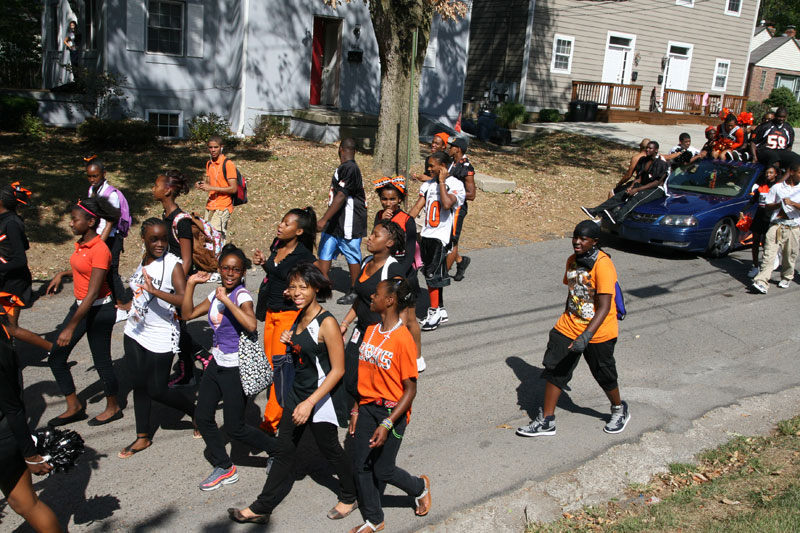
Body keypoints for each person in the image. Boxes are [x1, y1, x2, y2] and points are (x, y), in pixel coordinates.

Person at [228, 263, 356, 525]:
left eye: (303, 287)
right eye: (293, 286)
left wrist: (310, 403)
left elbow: (338, 370)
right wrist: (291, 342)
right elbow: (305, 352)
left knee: (330, 449)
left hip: (320, 400)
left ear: (316, 288)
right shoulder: (299, 316)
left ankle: (350, 495)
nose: (296, 292)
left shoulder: (327, 322)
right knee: (284, 451)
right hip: (298, 394)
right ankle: (261, 507)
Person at [517, 220, 630, 437]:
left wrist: (586, 336)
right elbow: (573, 293)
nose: (577, 242)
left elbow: (605, 306)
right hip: (569, 325)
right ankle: (547, 420)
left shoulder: (603, 265)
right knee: (555, 370)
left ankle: (618, 408)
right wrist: (564, 321)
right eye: (575, 237)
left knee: (603, 374)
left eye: (583, 238)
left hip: (598, 331)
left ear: (595, 242)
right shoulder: (572, 261)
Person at [182, 244, 276, 491]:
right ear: (219, 269)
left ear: (243, 272)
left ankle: (277, 450)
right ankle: (225, 466)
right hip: (217, 363)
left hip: (236, 367)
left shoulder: (241, 295)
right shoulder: (217, 294)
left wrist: (227, 301)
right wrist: (191, 283)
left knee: (235, 427)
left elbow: (251, 324)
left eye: (235, 269)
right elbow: (187, 313)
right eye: (225, 268)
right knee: (202, 417)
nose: (230, 273)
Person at [348, 277, 431, 533]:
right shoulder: (371, 331)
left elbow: (411, 390)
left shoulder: (403, 339)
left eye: (376, 294)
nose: (371, 297)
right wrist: (356, 408)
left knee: (383, 469)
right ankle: (374, 520)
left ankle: (419, 487)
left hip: (391, 412)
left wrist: (387, 423)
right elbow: (363, 376)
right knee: (361, 464)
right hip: (366, 407)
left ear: (390, 301)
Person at [117, 219, 198, 458]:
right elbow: (139, 289)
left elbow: (184, 301)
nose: (160, 244)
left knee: (157, 389)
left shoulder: (172, 265)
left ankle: (195, 412)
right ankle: (142, 436)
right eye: (154, 239)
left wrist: (156, 292)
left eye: (164, 238)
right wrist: (128, 304)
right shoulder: (145, 258)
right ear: (144, 238)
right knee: (139, 385)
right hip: (134, 330)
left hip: (161, 334)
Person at [46, 197, 122, 427]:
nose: (70, 223)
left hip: (99, 310)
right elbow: (83, 269)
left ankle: (113, 406)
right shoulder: (82, 244)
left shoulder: (100, 250)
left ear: (90, 222)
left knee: (102, 361)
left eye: (74, 219)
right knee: (56, 357)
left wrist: (69, 327)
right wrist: (62, 274)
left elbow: (92, 292)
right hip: (81, 306)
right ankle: (74, 406)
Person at [253, 207, 317, 434]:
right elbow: (275, 271)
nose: (281, 226)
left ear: (299, 231)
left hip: (288, 317)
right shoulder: (277, 245)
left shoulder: (304, 257)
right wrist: (263, 262)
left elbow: (313, 284)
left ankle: (270, 425)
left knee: (280, 371)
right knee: (272, 368)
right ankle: (279, 413)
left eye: (287, 224)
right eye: (281, 221)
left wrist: (295, 291)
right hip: (271, 314)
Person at [0, 332, 62, 533]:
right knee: (25, 503)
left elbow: (13, 407)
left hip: (5, 440)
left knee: (26, 503)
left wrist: (30, 453)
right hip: (7, 437)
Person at [340, 220, 409, 397]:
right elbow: (360, 299)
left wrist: (396, 339)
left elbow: (404, 309)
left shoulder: (393, 270)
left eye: (375, 235)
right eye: (371, 233)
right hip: (361, 330)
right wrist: (345, 323)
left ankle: (365, 414)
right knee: (348, 374)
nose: (369, 238)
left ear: (389, 243)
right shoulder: (366, 262)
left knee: (370, 380)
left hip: (379, 336)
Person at [372, 176, 425, 371]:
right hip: (385, 271)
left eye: (392, 199)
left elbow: (410, 252)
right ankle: (393, 354)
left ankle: (417, 356)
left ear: (400, 200)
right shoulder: (379, 216)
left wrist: (398, 276)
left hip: (404, 273)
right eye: (384, 199)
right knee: (388, 316)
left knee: (408, 318)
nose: (388, 203)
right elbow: (375, 241)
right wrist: (381, 222)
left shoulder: (407, 220)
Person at [153, 169, 200, 387]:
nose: (153, 189)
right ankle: (195, 363)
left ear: (168, 190)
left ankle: (191, 369)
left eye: (156, 185)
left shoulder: (181, 221)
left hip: (179, 284)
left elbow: (187, 260)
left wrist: (176, 287)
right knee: (176, 327)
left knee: (179, 327)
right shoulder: (166, 217)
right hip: (170, 281)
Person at [409, 151, 466, 331]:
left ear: (443, 166)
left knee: (432, 274)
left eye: (432, 166)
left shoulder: (456, 184)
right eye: (428, 166)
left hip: (440, 237)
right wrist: (401, 223)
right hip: (426, 234)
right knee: (429, 272)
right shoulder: (427, 185)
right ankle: (440, 309)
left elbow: (447, 204)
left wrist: (442, 181)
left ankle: (433, 312)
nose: (429, 169)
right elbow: (418, 207)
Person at [316, 138, 368, 305]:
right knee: (325, 249)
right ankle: (323, 288)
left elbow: (341, 195)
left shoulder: (350, 168)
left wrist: (324, 218)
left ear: (340, 149)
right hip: (336, 218)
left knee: (351, 252)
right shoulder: (344, 167)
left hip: (349, 219)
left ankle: (355, 290)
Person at [0, 183, 51, 352]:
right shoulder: (8, 220)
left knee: (10, 328)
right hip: (5, 280)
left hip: (13, 284)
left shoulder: (12, 223)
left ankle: (55, 350)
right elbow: (25, 245)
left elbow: (21, 259)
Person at [86, 157, 132, 323]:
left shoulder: (110, 194)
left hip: (111, 238)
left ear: (103, 174)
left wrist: (98, 243)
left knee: (111, 271)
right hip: (100, 236)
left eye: (95, 176)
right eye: (89, 176)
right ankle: (111, 300)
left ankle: (123, 304)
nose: (92, 179)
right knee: (103, 270)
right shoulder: (92, 190)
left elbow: (110, 221)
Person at [581, 141, 669, 225]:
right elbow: (639, 177)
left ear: (656, 150)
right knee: (621, 194)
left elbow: (656, 183)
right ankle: (595, 211)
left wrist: (637, 190)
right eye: (647, 148)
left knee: (636, 198)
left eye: (650, 148)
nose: (647, 150)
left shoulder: (661, 163)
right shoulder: (643, 160)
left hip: (656, 189)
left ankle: (619, 217)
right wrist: (631, 187)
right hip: (643, 185)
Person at [751, 161, 800, 294]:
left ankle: (787, 277)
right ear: (792, 172)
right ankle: (761, 281)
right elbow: (767, 204)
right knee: (768, 254)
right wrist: (778, 205)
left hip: (793, 227)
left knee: (789, 255)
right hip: (776, 225)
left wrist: (793, 203)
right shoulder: (777, 188)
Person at [196, 135, 238, 250]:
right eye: (210, 147)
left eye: (216, 147)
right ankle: (211, 263)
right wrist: (202, 184)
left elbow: (233, 188)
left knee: (216, 238)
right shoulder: (209, 163)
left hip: (223, 205)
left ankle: (219, 262)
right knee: (207, 236)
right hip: (210, 205)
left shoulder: (227, 164)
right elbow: (210, 183)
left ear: (221, 147)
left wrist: (211, 187)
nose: (213, 150)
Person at [446, 137, 477, 281]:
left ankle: (444, 270)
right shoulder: (450, 163)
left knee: (452, 239)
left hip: (458, 208)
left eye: (451, 146)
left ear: (457, 149)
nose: (449, 148)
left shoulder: (467, 167)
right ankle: (460, 260)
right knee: (445, 237)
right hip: (447, 205)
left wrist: (454, 194)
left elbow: (471, 194)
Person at [744, 165, 780, 278]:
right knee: (755, 242)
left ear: (776, 174)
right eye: (767, 173)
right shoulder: (761, 187)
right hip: (759, 217)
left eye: (771, 173)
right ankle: (755, 266)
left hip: (770, 219)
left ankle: (766, 266)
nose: (768, 174)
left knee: (767, 244)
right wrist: (743, 211)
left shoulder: (777, 188)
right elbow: (753, 201)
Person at [750, 107, 799, 173]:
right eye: (779, 117)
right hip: (764, 150)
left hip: (780, 151)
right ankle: (775, 178)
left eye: (783, 117)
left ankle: (786, 179)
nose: (781, 119)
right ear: (775, 116)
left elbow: (789, 146)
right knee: (774, 157)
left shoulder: (788, 128)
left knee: (796, 158)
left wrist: (786, 155)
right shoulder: (765, 126)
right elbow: (753, 142)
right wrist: (754, 156)